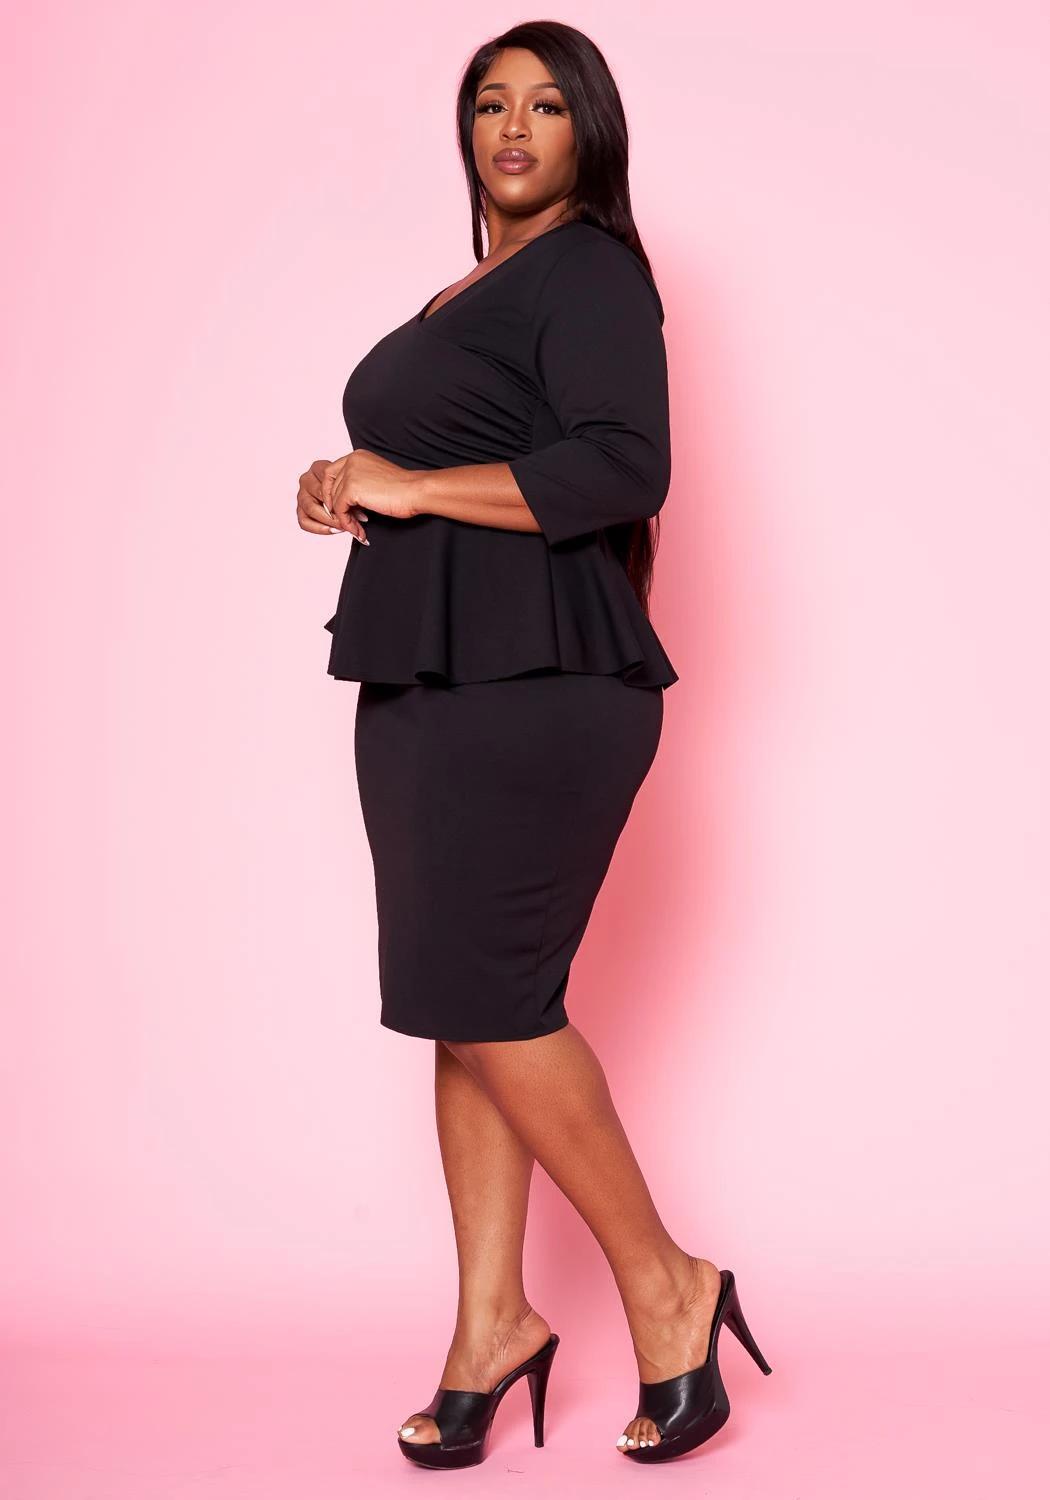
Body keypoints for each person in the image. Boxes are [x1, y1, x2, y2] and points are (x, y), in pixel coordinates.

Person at [295, 20, 771, 1469]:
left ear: (589, 132)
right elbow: (444, 460)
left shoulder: (591, 271)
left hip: (540, 680)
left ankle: (669, 1286)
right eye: (490, 103)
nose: (513, 126)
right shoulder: (475, 290)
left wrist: (412, 482)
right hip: (425, 677)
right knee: (461, 1002)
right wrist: (344, 482)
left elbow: (624, 464)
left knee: (498, 998)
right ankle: (491, 1323)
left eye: (547, 105)